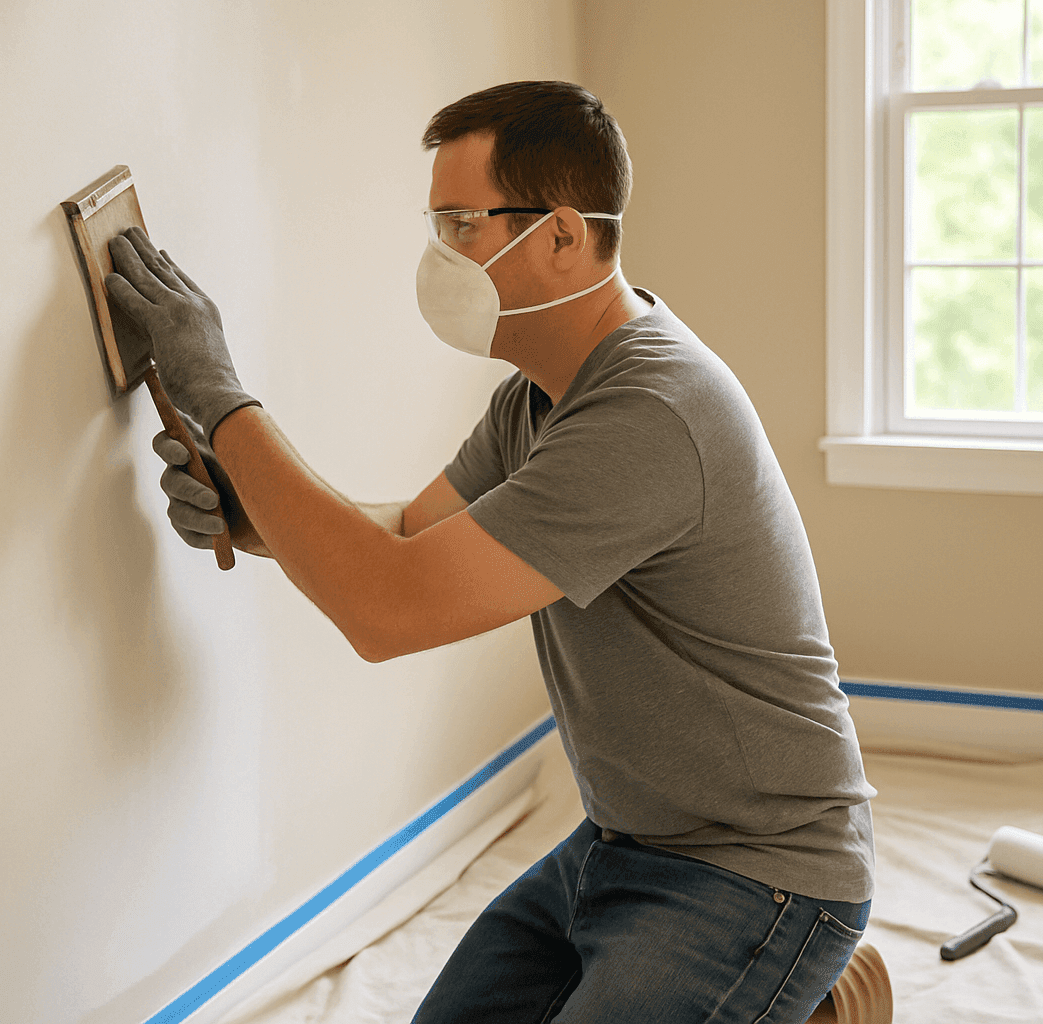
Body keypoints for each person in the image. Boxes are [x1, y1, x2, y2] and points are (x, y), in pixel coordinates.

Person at [106, 80, 876, 1024]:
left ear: (560, 235)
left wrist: (219, 396)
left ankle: (808, 988)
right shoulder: (543, 398)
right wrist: (254, 518)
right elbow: (409, 538)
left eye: (464, 224)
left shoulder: (651, 411)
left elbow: (390, 610)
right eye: (436, 224)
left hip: (760, 874)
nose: (441, 255)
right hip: (616, 843)